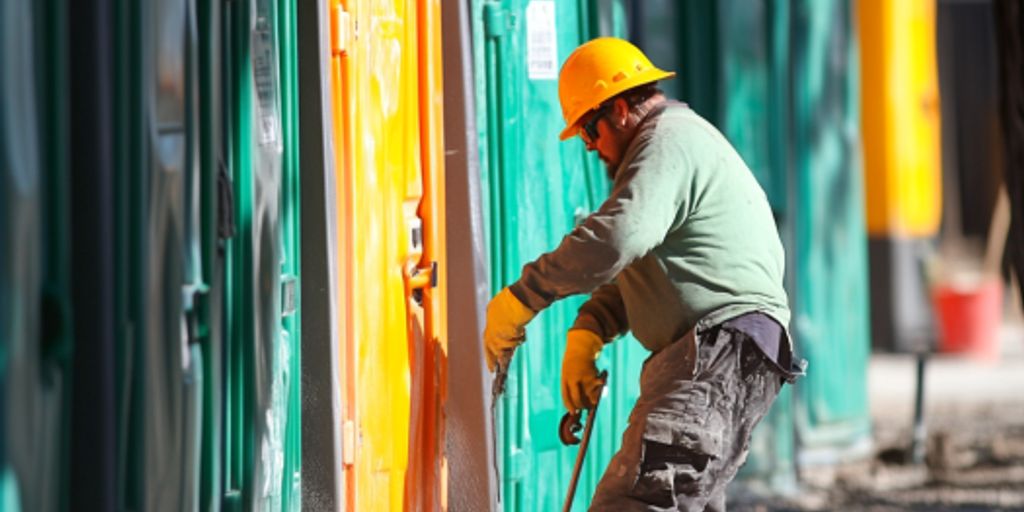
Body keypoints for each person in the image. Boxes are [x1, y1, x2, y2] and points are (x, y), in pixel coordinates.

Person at [481, 37, 805, 511]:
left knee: (634, 502)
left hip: (716, 351)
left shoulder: (666, 142)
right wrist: (588, 333)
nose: (590, 148)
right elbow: (644, 261)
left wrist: (522, 298)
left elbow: (617, 239)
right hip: (729, 349)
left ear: (616, 109)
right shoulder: (676, 142)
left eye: (589, 131)